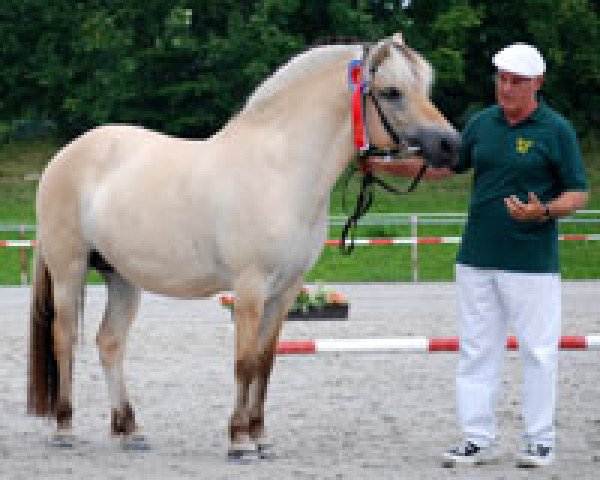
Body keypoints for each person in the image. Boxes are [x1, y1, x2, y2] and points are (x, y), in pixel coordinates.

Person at [368, 43, 589, 468]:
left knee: (539, 352)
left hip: (532, 262)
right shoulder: (482, 123)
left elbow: (577, 192)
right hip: (476, 259)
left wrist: (543, 210)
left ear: (536, 84)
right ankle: (476, 437)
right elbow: (441, 169)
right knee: (476, 350)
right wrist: (380, 166)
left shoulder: (556, 130)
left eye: (516, 82)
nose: (505, 88)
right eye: (501, 79)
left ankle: (539, 440)